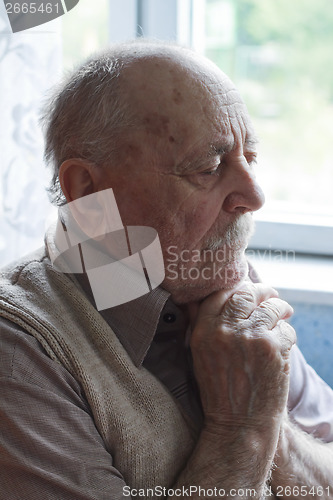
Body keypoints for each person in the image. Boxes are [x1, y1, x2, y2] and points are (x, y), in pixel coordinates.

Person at [0, 40, 332, 500]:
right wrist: (243, 427)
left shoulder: (214, 272)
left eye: (249, 158)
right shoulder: (19, 355)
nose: (254, 196)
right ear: (88, 192)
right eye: (210, 167)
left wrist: (271, 419)